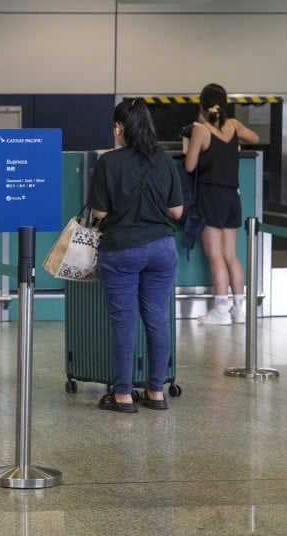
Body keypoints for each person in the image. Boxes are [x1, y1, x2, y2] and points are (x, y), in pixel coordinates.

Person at [88, 99, 183, 413]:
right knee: (157, 319)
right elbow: (177, 211)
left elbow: (99, 211)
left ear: (119, 128)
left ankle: (124, 395)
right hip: (162, 248)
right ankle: (156, 392)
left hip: (121, 250)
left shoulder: (109, 162)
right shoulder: (166, 161)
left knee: (124, 323)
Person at [184, 83, 260, 325]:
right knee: (230, 255)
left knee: (215, 255)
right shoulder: (234, 125)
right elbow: (255, 137)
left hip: (211, 196)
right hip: (232, 196)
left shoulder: (201, 130)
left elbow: (189, 165)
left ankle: (220, 310)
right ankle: (240, 309)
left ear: (202, 106)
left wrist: (200, 124)